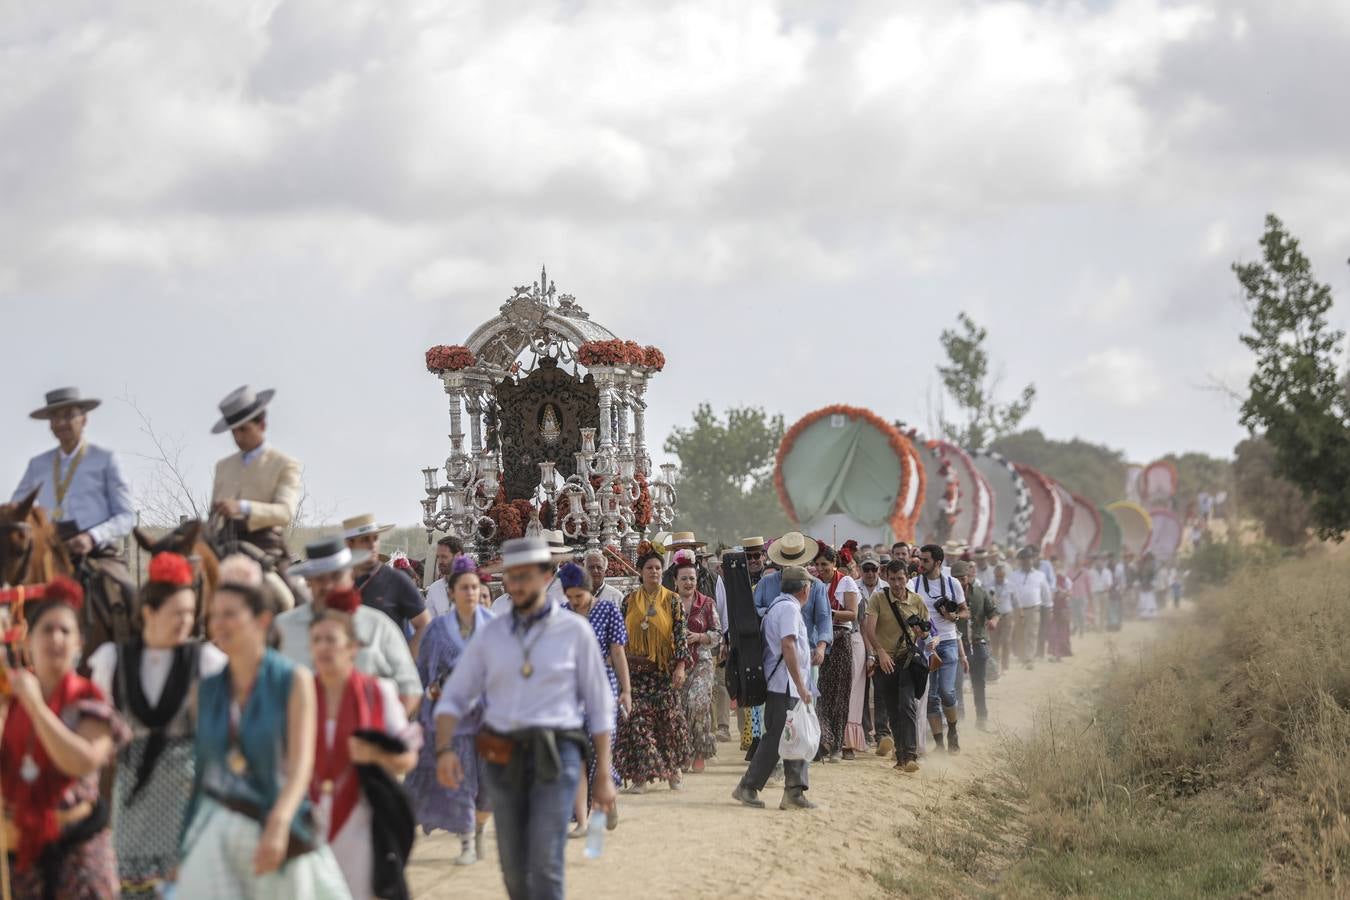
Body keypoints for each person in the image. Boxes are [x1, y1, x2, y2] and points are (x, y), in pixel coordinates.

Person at [434, 537, 617, 900]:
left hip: (558, 752)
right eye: (510, 577)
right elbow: (453, 696)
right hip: (500, 752)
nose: (515, 585)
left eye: (525, 576)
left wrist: (605, 775)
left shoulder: (574, 632)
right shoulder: (491, 634)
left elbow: (599, 706)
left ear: (548, 576)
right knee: (514, 868)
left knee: (545, 862)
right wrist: (444, 749)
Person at [176, 562, 349, 897]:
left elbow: (301, 766)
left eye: (231, 614)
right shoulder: (204, 690)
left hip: (277, 821)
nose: (220, 624)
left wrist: (279, 823)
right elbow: (203, 774)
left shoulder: (292, 680)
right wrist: (184, 843)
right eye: (215, 615)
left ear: (262, 619)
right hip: (219, 826)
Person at [87, 551, 228, 898]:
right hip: (132, 800)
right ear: (149, 612)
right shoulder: (112, 661)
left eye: (190, 613)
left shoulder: (205, 662)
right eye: (176, 613)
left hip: (187, 800)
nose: (186, 621)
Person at [0, 576, 129, 899]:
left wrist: (36, 707)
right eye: (47, 629)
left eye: (65, 631)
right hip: (26, 854)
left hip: (79, 854)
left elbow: (79, 761)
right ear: (28, 640)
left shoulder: (90, 700)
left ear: (78, 644)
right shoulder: (13, 702)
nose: (56, 637)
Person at [308, 589, 420, 900]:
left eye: (332, 640)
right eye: (317, 640)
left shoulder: (378, 693)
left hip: (362, 825)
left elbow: (407, 757)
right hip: (308, 824)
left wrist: (377, 753)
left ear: (352, 648)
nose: (324, 648)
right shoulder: (298, 695)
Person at [407, 555, 496, 865]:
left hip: (489, 719)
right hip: (454, 722)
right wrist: (436, 690)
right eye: (464, 588)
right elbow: (424, 676)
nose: (470, 593)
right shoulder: (438, 630)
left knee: (489, 787)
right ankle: (466, 841)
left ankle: (480, 827)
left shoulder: (494, 627)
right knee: (461, 782)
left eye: (474, 587)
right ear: (452, 592)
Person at [276, 537, 423, 714]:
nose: (328, 585)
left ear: (351, 575)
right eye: (320, 579)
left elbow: (409, 690)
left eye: (336, 576)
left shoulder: (379, 626)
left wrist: (383, 735)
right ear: (309, 581)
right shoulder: (282, 628)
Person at [13, 386, 134, 563]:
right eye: (55, 417)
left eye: (69, 415)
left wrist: (92, 537)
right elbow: (16, 508)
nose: (61, 423)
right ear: (50, 424)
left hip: (96, 552)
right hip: (50, 552)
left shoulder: (105, 459)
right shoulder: (37, 465)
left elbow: (126, 516)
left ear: (84, 419)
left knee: (125, 588)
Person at [730, 565, 816, 810]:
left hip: (783, 684)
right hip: (785, 685)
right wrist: (801, 685)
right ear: (804, 589)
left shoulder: (778, 606)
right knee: (779, 738)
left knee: (791, 736)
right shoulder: (788, 609)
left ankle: (793, 791)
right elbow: (788, 646)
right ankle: (750, 785)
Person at [558, 562, 629, 836]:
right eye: (570, 597)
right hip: (572, 691)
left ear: (589, 589)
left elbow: (618, 652)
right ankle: (582, 821)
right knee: (577, 753)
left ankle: (607, 796)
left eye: (580, 596)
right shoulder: (563, 615)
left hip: (604, 686)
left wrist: (627, 690)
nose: (575, 602)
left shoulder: (608, 610)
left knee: (601, 751)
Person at [614, 543, 691, 792]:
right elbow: (619, 639)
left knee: (668, 723)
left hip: (663, 673)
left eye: (658, 568)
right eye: (649, 568)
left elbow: (680, 636)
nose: (654, 572)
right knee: (637, 722)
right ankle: (641, 774)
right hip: (636, 675)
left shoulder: (673, 600)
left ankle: (673, 770)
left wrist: (680, 667)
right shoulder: (628, 601)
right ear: (640, 571)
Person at [209, 385, 302, 567]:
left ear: (262, 425)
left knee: (295, 594)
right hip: (223, 548)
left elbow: (285, 513)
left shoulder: (284, 464)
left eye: (243, 429)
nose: (238, 437)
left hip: (265, 548)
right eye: (233, 431)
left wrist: (243, 507)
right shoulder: (223, 466)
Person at [862, 560, 932, 772]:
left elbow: (926, 632)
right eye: (892, 579)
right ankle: (901, 756)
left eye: (900, 578)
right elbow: (869, 629)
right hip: (885, 661)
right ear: (886, 578)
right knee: (893, 709)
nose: (896, 583)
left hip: (907, 660)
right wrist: (879, 652)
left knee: (907, 705)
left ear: (907, 578)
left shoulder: (917, 600)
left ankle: (910, 755)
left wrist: (922, 632)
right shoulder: (878, 598)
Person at [342, 514, 431, 654]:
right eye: (365, 540)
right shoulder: (338, 582)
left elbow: (424, 624)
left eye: (375, 538)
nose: (372, 545)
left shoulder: (397, 580)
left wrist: (407, 662)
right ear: (349, 544)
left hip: (388, 671)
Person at [911, 544, 968, 754]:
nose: (921, 564)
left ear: (938, 562)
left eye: (925, 560)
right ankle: (939, 743)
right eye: (920, 559)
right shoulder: (914, 583)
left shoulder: (953, 584)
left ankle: (952, 729)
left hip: (948, 640)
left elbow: (964, 611)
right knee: (931, 697)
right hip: (925, 644)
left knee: (946, 691)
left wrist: (954, 617)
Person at [814, 543, 863, 762]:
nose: (820, 568)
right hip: (819, 640)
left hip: (840, 640)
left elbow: (852, 613)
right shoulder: (815, 584)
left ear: (834, 564)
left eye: (824, 564)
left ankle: (835, 744)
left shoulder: (846, 582)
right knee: (819, 691)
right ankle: (825, 737)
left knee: (839, 695)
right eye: (817, 565)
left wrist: (829, 613)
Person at [672, 556, 720, 773]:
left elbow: (718, 634)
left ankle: (701, 750)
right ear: (675, 580)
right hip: (676, 664)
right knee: (679, 709)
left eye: (692, 578)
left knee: (697, 704)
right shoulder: (668, 602)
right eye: (684, 579)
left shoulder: (707, 603)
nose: (688, 583)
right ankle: (684, 752)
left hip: (701, 661)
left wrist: (699, 637)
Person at [952, 561, 999, 731]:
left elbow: (993, 611)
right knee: (956, 684)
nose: (960, 581)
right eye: (956, 578)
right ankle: (960, 720)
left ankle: (981, 718)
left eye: (963, 578)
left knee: (978, 683)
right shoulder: (948, 596)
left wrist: (993, 621)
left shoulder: (980, 593)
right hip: (957, 645)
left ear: (969, 577)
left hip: (978, 644)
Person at [855, 553, 888, 749]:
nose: (869, 573)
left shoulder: (887, 588)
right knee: (863, 689)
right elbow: (860, 622)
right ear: (860, 569)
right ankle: (866, 730)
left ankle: (882, 731)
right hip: (860, 642)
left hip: (883, 644)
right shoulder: (853, 587)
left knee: (881, 690)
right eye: (865, 569)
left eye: (873, 569)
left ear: (879, 570)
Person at [1007, 548, 1051, 668]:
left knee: (1032, 633)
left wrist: (1049, 607)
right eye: (1024, 559)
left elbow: (1046, 593)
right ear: (1020, 561)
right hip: (1018, 609)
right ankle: (1022, 657)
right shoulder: (1013, 576)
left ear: (1033, 560)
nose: (1027, 561)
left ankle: (1029, 658)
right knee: (1020, 633)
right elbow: (1009, 592)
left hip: (1034, 608)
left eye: (1029, 559)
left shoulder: (1040, 575)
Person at [425, 535, 466, 618]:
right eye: (438, 557)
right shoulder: (434, 588)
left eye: (444, 556)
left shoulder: (473, 586)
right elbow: (430, 623)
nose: (440, 561)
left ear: (458, 556)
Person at [989, 562, 1015, 673]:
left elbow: (1014, 600)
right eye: (997, 576)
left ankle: (1005, 666)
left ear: (1004, 575)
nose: (999, 578)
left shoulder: (1010, 585)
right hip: (994, 617)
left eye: (1001, 576)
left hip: (1007, 615)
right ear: (994, 575)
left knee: (1006, 641)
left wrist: (1018, 614)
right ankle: (996, 666)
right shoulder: (990, 585)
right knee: (995, 643)